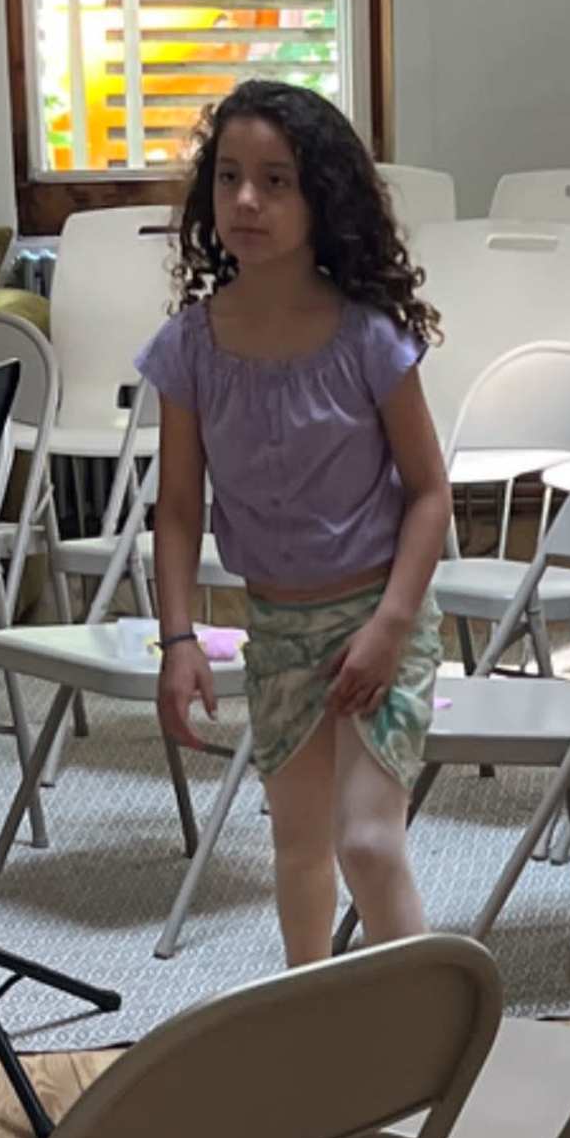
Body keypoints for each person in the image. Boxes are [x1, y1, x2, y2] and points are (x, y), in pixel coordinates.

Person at [141, 85, 450, 963]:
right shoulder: (191, 347)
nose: (246, 201)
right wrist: (178, 640)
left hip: (376, 621)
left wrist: (391, 627)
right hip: (277, 628)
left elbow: (430, 492)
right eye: (230, 177)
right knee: (299, 852)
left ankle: (427, 1041)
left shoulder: (367, 338)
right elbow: (177, 508)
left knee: (367, 843)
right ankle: (307, 1034)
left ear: (322, 199)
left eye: (276, 181)